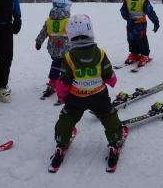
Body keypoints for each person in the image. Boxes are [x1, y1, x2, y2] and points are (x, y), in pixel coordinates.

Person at [50, 14, 123, 170]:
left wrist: (62, 97)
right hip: (99, 96)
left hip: (76, 98)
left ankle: (60, 143)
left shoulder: (68, 57)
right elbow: (109, 74)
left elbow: (63, 81)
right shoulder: (100, 53)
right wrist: (112, 82)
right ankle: (115, 141)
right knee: (108, 115)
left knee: (67, 119)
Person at [35, 0, 72, 102]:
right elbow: (75, 34)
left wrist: (38, 42)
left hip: (52, 49)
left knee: (56, 64)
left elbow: (43, 32)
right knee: (66, 66)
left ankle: (52, 82)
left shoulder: (49, 21)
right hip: (65, 50)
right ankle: (65, 84)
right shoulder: (67, 21)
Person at [121, 0, 159, 66]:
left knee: (141, 39)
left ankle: (145, 55)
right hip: (130, 24)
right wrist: (126, 16)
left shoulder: (143, 1)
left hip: (140, 24)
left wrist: (156, 22)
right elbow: (123, 10)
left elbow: (150, 12)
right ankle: (134, 53)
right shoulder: (127, 0)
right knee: (131, 39)